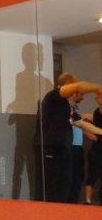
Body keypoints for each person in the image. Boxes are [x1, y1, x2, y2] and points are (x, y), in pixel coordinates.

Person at [40, 73, 102, 202]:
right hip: (52, 148)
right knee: (54, 188)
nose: (78, 92)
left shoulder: (67, 107)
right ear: (68, 85)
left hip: (64, 149)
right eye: (74, 86)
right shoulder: (54, 96)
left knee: (66, 185)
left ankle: (64, 212)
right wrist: (97, 88)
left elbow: (81, 124)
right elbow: (80, 86)